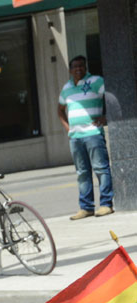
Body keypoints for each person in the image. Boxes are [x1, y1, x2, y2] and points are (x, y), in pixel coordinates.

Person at [58, 55, 113, 220]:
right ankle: (86, 207)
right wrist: (69, 129)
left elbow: (112, 96)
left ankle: (106, 204)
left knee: (101, 169)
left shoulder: (96, 81)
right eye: (75, 67)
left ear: (86, 67)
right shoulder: (66, 88)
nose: (78, 69)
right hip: (75, 137)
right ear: (70, 70)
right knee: (82, 172)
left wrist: (105, 117)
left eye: (81, 66)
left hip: (93, 134)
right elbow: (60, 110)